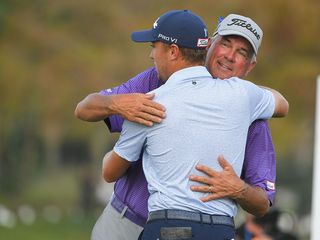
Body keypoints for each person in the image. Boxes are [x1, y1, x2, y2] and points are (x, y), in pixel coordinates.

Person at [75, 13, 281, 240]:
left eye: (242, 52)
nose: (230, 56)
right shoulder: (155, 81)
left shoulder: (250, 108)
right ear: (209, 45)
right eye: (226, 44)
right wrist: (116, 103)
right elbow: (84, 109)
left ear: (250, 65)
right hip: (125, 219)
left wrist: (238, 189)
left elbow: (262, 204)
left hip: (187, 227)